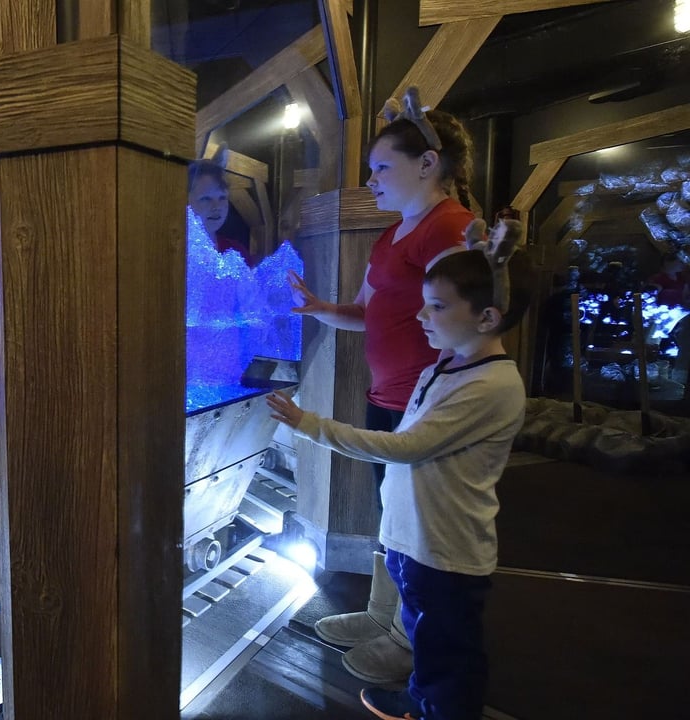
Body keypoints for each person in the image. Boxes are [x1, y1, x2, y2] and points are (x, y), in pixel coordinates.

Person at [266, 229, 531, 720]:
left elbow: (407, 447)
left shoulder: (491, 385)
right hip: (416, 540)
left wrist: (311, 426)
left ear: (487, 317)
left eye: (436, 307)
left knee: (447, 649)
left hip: (446, 550)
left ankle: (442, 709)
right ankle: (419, 698)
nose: (420, 315)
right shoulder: (444, 367)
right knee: (424, 632)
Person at [285, 88, 477, 683]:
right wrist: (317, 307)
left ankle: (408, 641)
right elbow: (367, 312)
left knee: (421, 526)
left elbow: (470, 320)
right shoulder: (392, 235)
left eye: (380, 168)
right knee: (391, 515)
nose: (371, 181)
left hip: (429, 404)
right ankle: (382, 615)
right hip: (386, 397)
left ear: (428, 164)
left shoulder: (453, 228)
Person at [188, 148, 255, 265]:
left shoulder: (237, 252)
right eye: (206, 198)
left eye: (222, 198)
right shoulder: (172, 252)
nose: (216, 206)